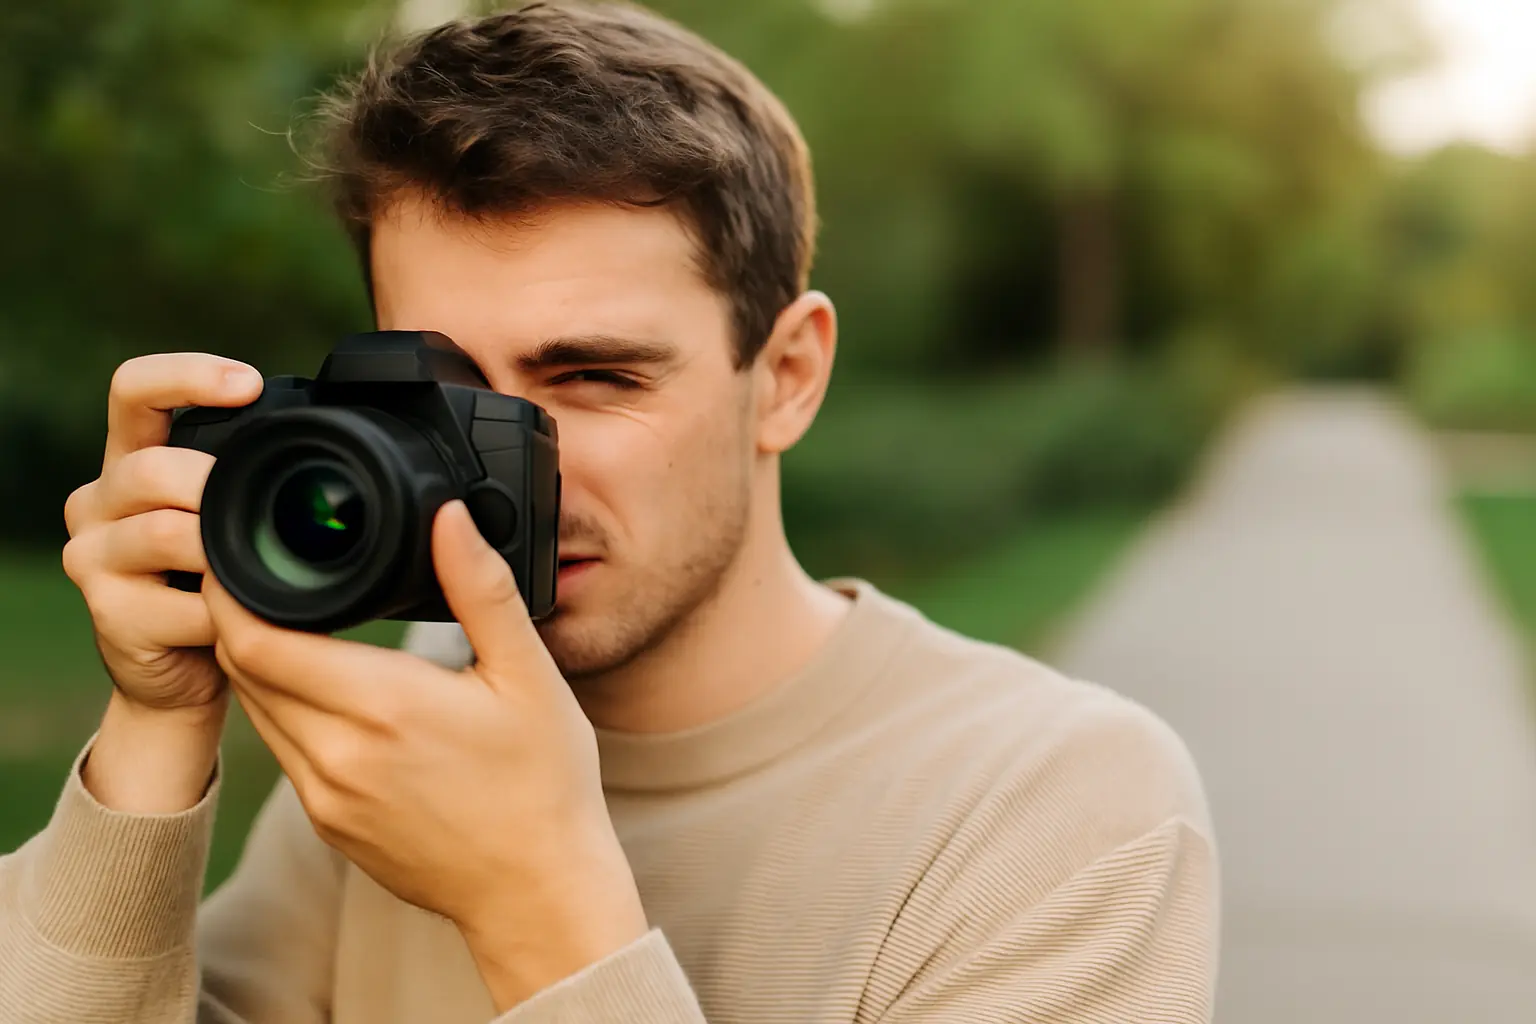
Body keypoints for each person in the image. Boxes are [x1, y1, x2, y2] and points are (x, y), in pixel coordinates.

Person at [0, 2, 1218, 1021]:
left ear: (786, 374)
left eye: (594, 378)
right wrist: (155, 732)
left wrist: (536, 902)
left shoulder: (1051, 806)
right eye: (448, 394)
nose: (516, 474)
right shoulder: (414, 724)